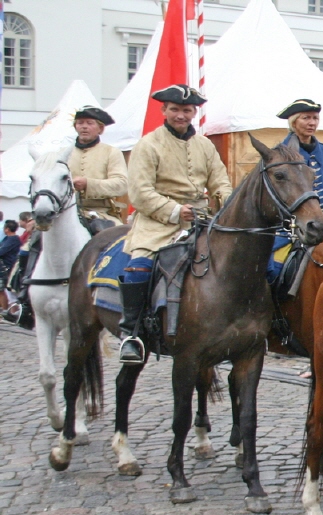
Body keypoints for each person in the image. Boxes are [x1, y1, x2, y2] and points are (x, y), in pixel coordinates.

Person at [119, 84, 232, 364]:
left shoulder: (205, 145)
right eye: (175, 109)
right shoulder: (148, 144)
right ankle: (132, 333)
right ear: (164, 110)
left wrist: (227, 205)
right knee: (139, 266)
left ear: (194, 112)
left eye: (187, 110)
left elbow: (220, 182)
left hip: (201, 220)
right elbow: (140, 192)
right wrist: (174, 210)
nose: (181, 115)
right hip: (157, 224)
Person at [278, 99, 323, 217]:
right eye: (306, 118)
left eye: (315, 118)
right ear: (293, 122)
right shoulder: (280, 153)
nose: (312, 123)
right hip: (291, 221)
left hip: (321, 219)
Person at [68, 106, 128, 226]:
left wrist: (88, 183)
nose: (84, 126)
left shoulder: (111, 152)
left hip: (101, 213)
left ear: (100, 129)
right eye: (80, 123)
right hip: (66, 212)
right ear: (75, 127)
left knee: (119, 236)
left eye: (89, 123)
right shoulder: (63, 154)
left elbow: (122, 185)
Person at [0, 220, 20, 311]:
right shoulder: (8, 239)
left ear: (7, 229)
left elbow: (1, 251)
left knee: (7, 291)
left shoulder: (12, 239)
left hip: (9, 268)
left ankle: (7, 311)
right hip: (5, 268)